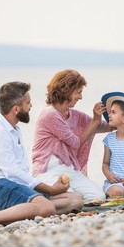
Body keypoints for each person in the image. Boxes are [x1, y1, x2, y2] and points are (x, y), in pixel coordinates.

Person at [0, 81, 83, 233]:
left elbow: (20, 173)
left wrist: (51, 190)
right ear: (16, 109)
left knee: (75, 200)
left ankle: (22, 211)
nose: (31, 106)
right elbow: (12, 173)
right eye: (28, 103)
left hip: (16, 187)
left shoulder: (14, 128)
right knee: (46, 207)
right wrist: (50, 190)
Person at [31, 69, 112, 203]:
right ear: (66, 90)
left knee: (98, 197)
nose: (80, 97)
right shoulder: (49, 114)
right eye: (78, 92)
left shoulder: (74, 115)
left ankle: (57, 201)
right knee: (72, 199)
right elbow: (75, 142)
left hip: (70, 170)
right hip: (47, 171)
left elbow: (101, 126)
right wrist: (95, 121)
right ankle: (37, 200)